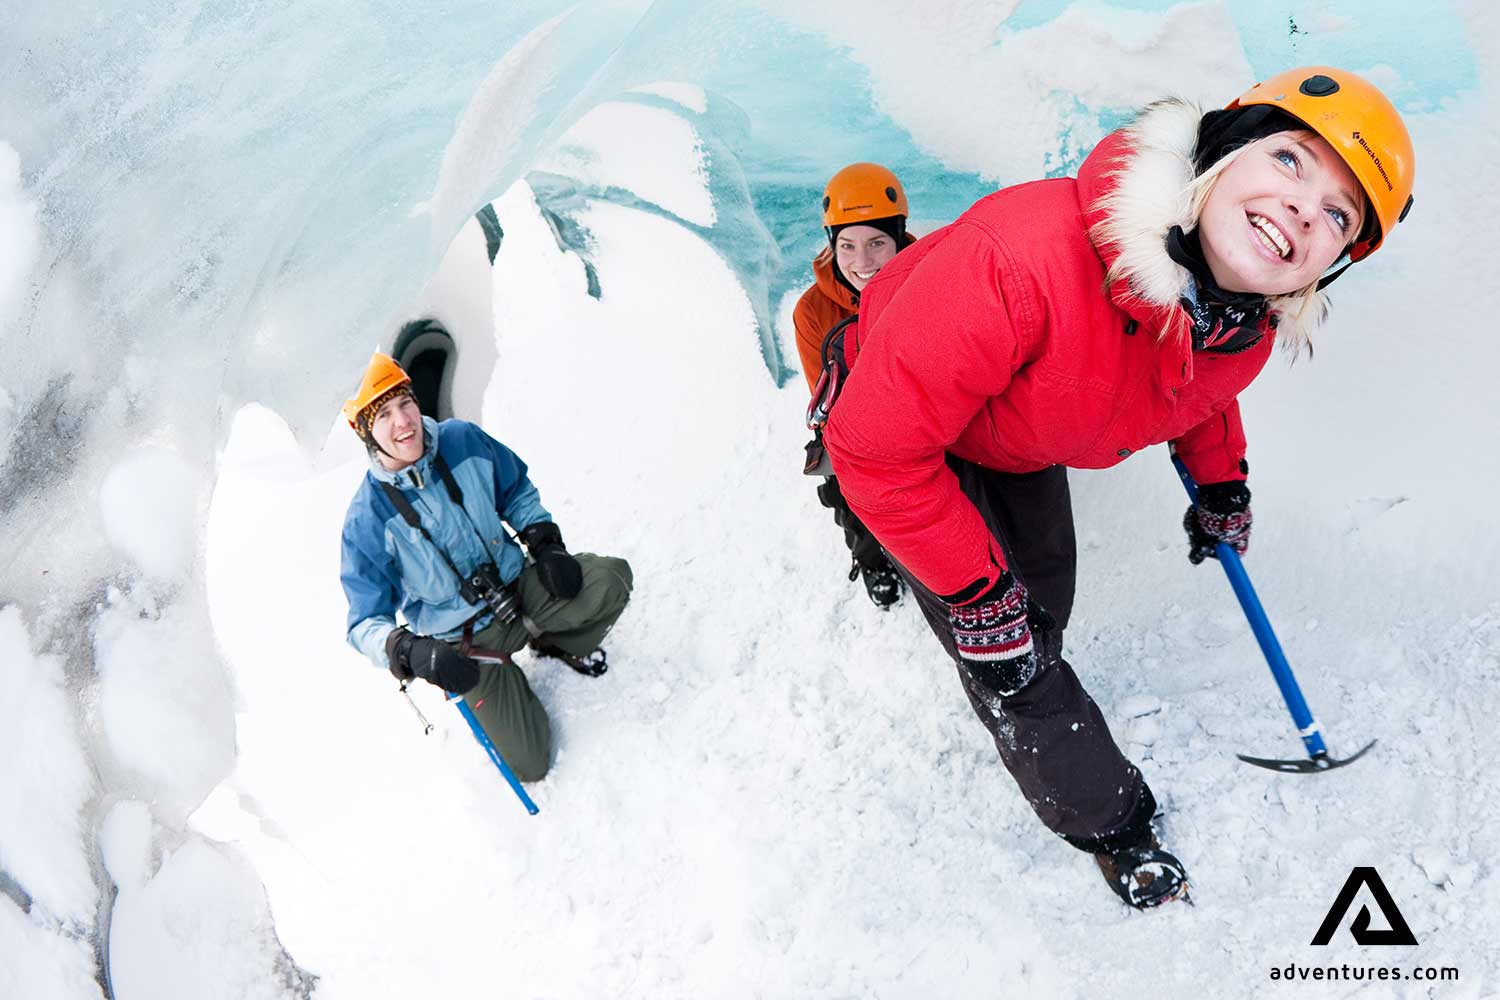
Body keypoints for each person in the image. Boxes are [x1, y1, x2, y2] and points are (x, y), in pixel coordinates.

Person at [822, 67, 1414, 908]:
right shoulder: (1020, 264)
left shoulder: (1235, 324)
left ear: (1332, 265)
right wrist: (977, 594)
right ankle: (1112, 824)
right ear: (1221, 152)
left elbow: (1195, 388)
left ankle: (984, 618)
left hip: (1015, 432)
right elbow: (878, 447)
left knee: (1038, 610)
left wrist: (1222, 487)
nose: (1303, 209)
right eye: (1291, 161)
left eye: (1338, 214)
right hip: (904, 431)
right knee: (1010, 653)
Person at [339, 352, 633, 781]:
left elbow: (516, 491)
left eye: (405, 402)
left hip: (520, 592)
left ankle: (554, 641)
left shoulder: (462, 440)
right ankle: (503, 684)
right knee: (531, 763)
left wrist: (545, 543)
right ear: (366, 432)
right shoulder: (367, 519)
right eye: (383, 414)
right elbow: (364, 621)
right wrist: (410, 650)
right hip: (465, 646)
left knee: (610, 579)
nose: (403, 421)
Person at [793, 162, 915, 609]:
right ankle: (871, 558)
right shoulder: (813, 311)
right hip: (861, 428)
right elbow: (828, 401)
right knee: (845, 476)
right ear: (832, 245)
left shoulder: (929, 281)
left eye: (876, 243)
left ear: (898, 238)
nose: (861, 262)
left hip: (929, 417)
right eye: (847, 245)